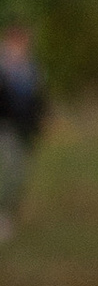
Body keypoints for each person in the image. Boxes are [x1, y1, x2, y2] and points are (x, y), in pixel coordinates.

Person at [0, 20, 46, 241]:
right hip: (6, 126)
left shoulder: (30, 67)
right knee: (10, 172)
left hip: (25, 127)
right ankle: (4, 216)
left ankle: (9, 214)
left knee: (20, 174)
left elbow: (38, 97)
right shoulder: (4, 65)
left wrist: (43, 119)